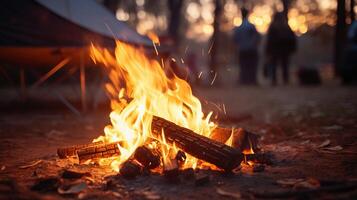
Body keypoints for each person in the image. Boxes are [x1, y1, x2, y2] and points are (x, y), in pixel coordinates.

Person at [265, 12, 297, 85]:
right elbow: (292, 39)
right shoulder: (286, 27)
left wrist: (267, 51)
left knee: (274, 65)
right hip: (285, 50)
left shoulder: (273, 27)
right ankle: (285, 80)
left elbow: (269, 40)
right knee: (284, 65)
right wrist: (292, 49)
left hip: (275, 50)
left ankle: (274, 80)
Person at [233, 8, 261, 85]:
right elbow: (257, 37)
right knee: (252, 65)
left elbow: (235, 39)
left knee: (244, 66)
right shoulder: (251, 26)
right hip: (252, 50)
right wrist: (254, 44)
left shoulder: (239, 27)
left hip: (242, 50)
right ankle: (252, 81)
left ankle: (244, 81)